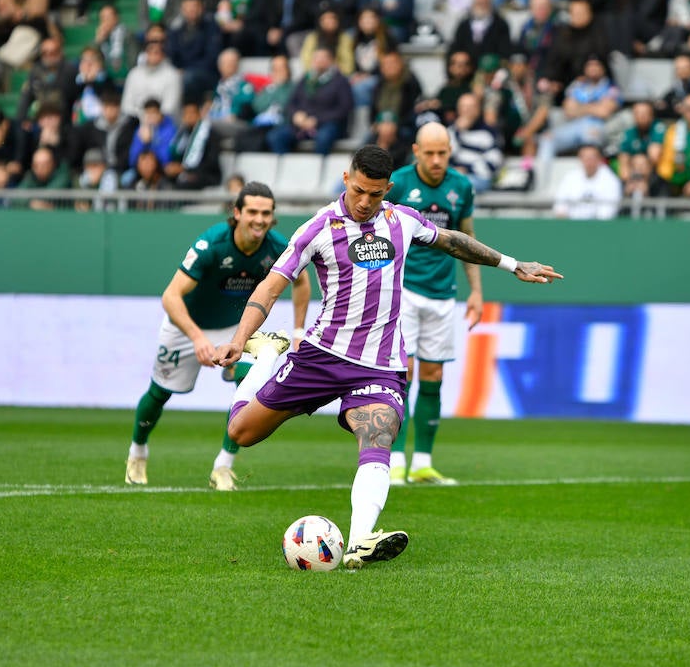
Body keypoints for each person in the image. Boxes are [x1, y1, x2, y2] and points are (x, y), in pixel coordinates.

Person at [213, 145, 562, 568]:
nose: (365, 202)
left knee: (379, 433)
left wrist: (512, 264)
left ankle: (360, 540)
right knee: (242, 431)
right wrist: (240, 338)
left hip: (379, 363)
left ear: (387, 190)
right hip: (321, 356)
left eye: (375, 195)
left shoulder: (402, 220)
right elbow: (271, 286)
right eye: (359, 190)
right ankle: (267, 356)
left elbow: (453, 242)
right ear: (346, 179)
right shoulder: (318, 228)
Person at [127, 183, 312, 488]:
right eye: (252, 211)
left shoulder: (277, 246)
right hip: (186, 326)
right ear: (237, 213)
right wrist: (198, 338)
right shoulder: (212, 244)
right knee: (160, 393)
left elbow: (302, 281)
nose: (259, 219)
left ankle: (223, 466)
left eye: (266, 213)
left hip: (236, 330)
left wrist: (298, 331)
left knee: (250, 385)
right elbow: (171, 296)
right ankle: (137, 452)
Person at [381, 123, 482, 486]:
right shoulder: (400, 184)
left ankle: (422, 462)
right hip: (404, 292)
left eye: (443, 153)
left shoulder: (462, 187)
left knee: (434, 375)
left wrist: (476, 291)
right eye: (430, 153)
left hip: (443, 295)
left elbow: (467, 241)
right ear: (416, 150)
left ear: (450, 151)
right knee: (401, 374)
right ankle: (393, 460)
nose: (437, 160)